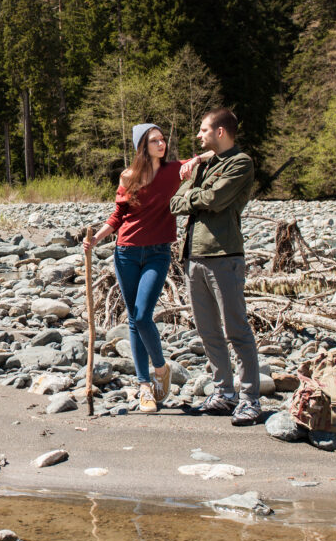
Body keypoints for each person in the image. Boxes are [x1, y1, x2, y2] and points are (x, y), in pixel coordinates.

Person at [84, 123, 203, 414]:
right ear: (142, 146)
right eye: (154, 141)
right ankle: (144, 387)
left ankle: (160, 369)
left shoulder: (174, 170)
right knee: (135, 320)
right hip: (125, 253)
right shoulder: (128, 176)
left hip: (158, 253)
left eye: (162, 140)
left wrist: (195, 162)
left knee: (141, 314)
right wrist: (96, 239)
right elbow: (118, 216)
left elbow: (210, 154)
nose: (161, 145)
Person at [169, 108, 261, 426]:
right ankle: (224, 393)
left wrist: (196, 194)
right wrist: (198, 186)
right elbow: (175, 203)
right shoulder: (204, 164)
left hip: (224, 256)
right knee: (208, 331)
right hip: (193, 256)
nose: (199, 135)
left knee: (237, 330)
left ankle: (250, 399)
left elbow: (216, 200)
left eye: (204, 130)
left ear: (220, 132)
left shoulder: (241, 163)